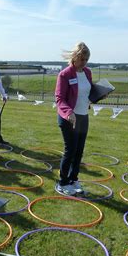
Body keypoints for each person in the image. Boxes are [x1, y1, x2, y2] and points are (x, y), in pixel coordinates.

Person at [55, 42, 94, 196]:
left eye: (87, 59)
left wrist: (101, 94)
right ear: (75, 57)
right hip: (68, 118)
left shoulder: (88, 72)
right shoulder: (65, 74)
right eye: (82, 59)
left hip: (83, 116)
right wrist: (69, 112)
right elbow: (59, 98)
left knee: (79, 151)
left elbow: (88, 92)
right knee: (70, 150)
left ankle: (73, 179)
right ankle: (62, 182)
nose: (84, 62)